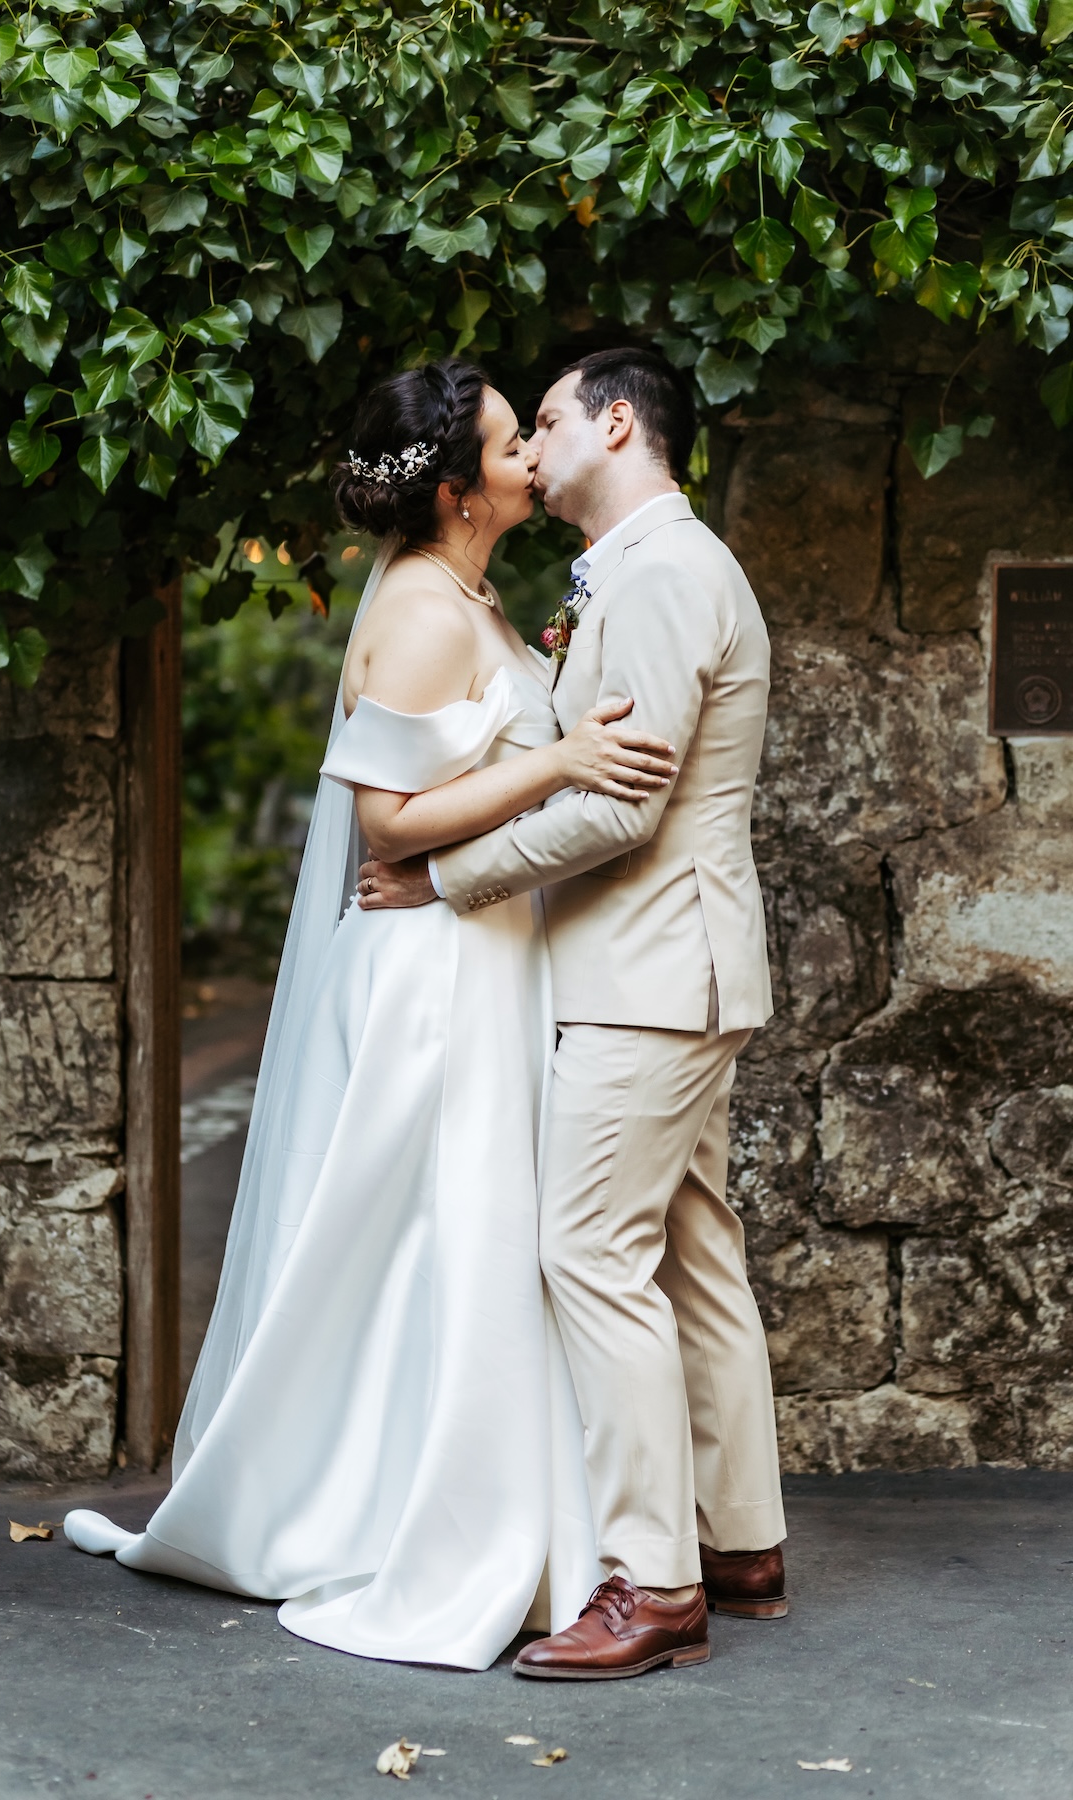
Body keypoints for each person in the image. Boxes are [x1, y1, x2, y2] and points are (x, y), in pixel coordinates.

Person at [64, 357, 677, 1672]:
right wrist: (561, 759)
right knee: (443, 1238)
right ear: (458, 491)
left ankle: (458, 1495)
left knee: (459, 1237)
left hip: (481, 953)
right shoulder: (417, 611)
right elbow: (387, 825)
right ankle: (423, 1517)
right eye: (512, 445)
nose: (529, 461)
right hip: (430, 974)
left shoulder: (467, 592)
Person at [359, 346, 788, 1681]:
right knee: (692, 1249)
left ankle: (652, 1584)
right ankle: (742, 1545)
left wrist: (445, 881)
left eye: (548, 422)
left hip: (648, 974)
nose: (533, 452)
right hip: (678, 968)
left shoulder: (662, 573)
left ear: (619, 421)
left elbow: (619, 804)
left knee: (591, 1254)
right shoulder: (655, 567)